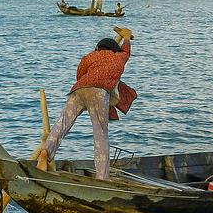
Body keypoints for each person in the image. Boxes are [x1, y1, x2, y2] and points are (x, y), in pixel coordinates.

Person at [36, 27, 137, 180]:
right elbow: (126, 52)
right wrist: (127, 38)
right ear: (115, 51)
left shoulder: (89, 57)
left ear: (97, 48)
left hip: (79, 90)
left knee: (62, 124)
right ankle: (102, 177)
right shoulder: (119, 57)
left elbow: (80, 75)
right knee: (100, 134)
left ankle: (45, 153)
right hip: (99, 93)